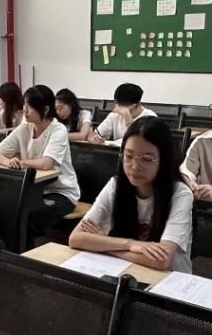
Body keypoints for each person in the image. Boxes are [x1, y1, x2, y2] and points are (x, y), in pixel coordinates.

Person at [70, 117, 193, 273]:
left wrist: (105, 244)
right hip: (125, 273)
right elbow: (75, 238)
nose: (134, 166)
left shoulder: (181, 195)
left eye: (147, 159)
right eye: (128, 156)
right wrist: (130, 244)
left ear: (164, 160)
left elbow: (161, 261)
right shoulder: (115, 185)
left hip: (169, 280)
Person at [0, 85, 81, 240]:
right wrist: (9, 162)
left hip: (61, 193)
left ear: (45, 109)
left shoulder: (58, 130)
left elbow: (46, 163)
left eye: (30, 106)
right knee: (2, 208)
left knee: (28, 217)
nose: (24, 110)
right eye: (24, 104)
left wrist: (22, 162)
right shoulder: (24, 128)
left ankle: (27, 252)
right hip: (34, 190)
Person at [88, 83, 157, 144]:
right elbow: (92, 135)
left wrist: (127, 117)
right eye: (118, 103)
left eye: (125, 105)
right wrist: (93, 138)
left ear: (138, 104)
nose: (120, 108)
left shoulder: (150, 117)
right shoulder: (115, 115)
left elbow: (138, 143)